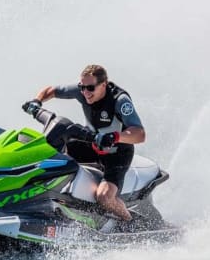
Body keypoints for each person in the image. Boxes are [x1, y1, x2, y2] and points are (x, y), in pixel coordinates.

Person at [23, 65, 145, 221]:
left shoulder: (120, 100)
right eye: (82, 87)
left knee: (103, 197)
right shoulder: (82, 91)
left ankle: (130, 222)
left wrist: (115, 137)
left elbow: (139, 134)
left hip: (117, 153)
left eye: (90, 88)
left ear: (104, 84)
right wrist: (36, 101)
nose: (85, 92)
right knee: (52, 154)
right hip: (93, 144)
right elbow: (51, 90)